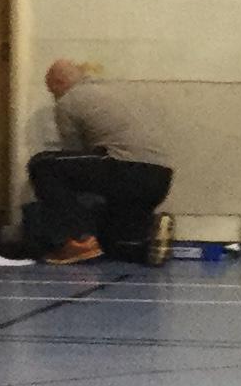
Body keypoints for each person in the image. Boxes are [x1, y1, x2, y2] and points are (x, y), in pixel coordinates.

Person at [31, 62, 175, 264]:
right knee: (112, 244)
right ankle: (146, 244)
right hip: (160, 177)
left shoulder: (69, 100)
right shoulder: (115, 92)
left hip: (126, 167)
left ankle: (77, 241)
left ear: (59, 82)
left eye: (51, 90)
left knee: (43, 165)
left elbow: (74, 152)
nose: (53, 96)